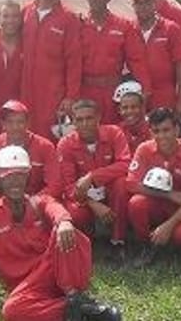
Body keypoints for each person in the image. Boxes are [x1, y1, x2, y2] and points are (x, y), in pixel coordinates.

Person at [0, 146, 123, 321]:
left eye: (20, 175)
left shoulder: (39, 202)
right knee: (12, 311)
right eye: (8, 177)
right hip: (26, 286)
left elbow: (54, 207)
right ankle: (81, 310)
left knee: (71, 234)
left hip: (53, 273)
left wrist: (64, 222)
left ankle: (74, 296)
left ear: (27, 177)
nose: (15, 182)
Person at [125, 107, 181, 268]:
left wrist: (168, 225)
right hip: (156, 203)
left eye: (166, 130)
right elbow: (130, 183)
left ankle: (176, 251)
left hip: (180, 208)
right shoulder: (144, 149)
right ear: (151, 133)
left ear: (177, 130)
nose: (161, 136)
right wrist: (168, 194)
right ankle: (146, 246)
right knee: (136, 203)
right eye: (156, 131)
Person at [56, 100, 132, 265]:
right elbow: (68, 186)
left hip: (110, 190)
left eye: (89, 118)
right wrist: (93, 204)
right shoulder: (65, 144)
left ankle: (118, 242)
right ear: (73, 121)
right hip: (85, 197)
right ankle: (89, 238)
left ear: (98, 117)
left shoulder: (114, 133)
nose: (85, 124)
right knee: (75, 213)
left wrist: (92, 176)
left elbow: (125, 164)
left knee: (121, 184)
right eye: (79, 119)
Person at [0, 100, 62, 224]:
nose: (15, 127)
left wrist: (33, 203)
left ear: (28, 123)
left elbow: (55, 185)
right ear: (3, 124)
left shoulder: (45, 146)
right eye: (10, 122)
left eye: (20, 122)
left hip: (34, 199)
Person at [20, 0, 82, 139]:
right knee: (26, 129)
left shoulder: (68, 18)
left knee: (50, 133)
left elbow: (74, 60)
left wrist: (71, 96)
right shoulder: (26, 13)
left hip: (53, 90)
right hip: (26, 87)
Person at [80, 0, 152, 124]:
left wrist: (146, 88)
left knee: (114, 132)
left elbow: (136, 60)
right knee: (88, 133)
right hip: (85, 90)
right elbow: (71, 62)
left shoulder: (123, 26)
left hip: (113, 90)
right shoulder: (78, 25)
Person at [130, 0, 181, 113]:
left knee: (166, 129)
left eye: (147, 2)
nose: (143, 6)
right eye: (138, 3)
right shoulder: (129, 29)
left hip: (165, 92)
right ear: (133, 7)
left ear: (154, 4)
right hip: (138, 95)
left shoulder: (171, 28)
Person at [113, 81, 150, 153]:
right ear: (119, 110)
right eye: (125, 108)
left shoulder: (153, 128)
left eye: (134, 107)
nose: (129, 111)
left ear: (142, 107)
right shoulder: (117, 131)